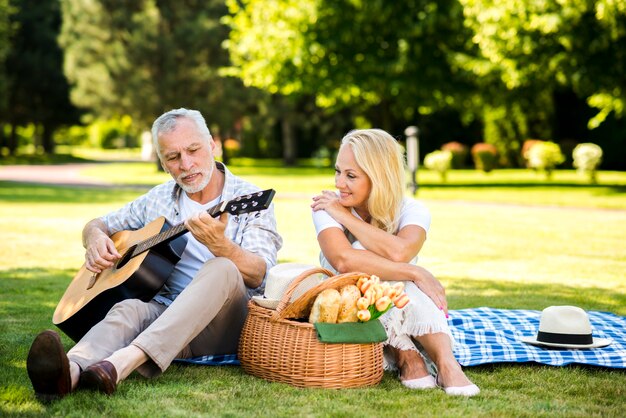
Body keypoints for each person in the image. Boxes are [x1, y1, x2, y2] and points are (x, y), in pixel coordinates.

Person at [26, 108, 282, 400]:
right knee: (129, 309)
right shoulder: (158, 198)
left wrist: (221, 246)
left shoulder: (250, 199)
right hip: (169, 317)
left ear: (212, 145)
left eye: (193, 150)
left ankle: (122, 363)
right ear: (163, 162)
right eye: (173, 157)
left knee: (222, 267)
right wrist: (94, 238)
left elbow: (259, 273)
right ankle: (68, 372)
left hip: (227, 324)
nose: (186, 164)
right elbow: (99, 224)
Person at [311, 129, 479, 396]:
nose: (339, 183)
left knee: (400, 282)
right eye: (338, 171)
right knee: (363, 259)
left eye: (351, 175)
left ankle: (447, 364)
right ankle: (405, 352)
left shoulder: (412, 210)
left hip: (401, 299)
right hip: (349, 304)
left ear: (378, 177)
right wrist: (416, 273)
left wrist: (346, 218)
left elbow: (401, 252)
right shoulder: (326, 205)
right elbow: (344, 261)